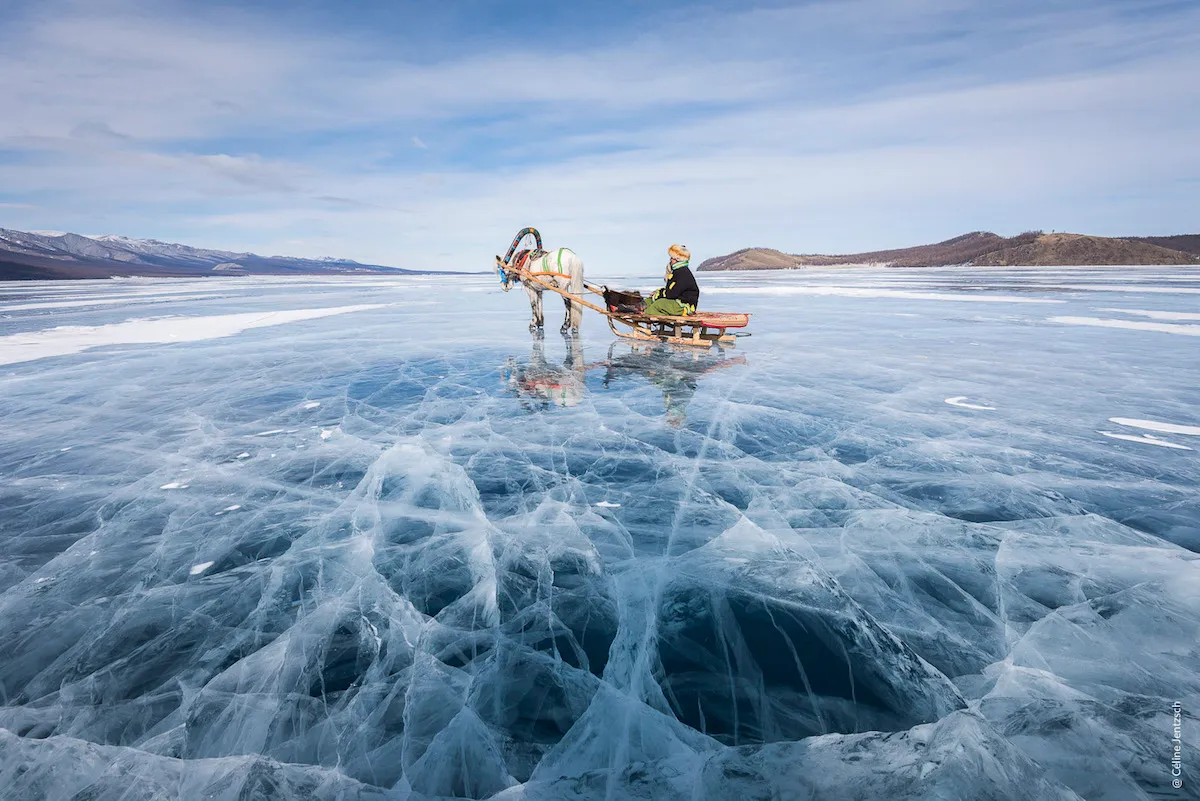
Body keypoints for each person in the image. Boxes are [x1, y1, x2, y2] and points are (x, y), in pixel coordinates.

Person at [643, 244, 699, 316]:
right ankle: (639, 307)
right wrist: (657, 293)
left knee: (659, 304)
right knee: (650, 300)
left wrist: (658, 294)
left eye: (672, 258)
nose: (670, 259)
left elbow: (672, 294)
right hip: (675, 301)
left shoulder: (683, 273)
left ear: (678, 259)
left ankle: (645, 313)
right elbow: (670, 290)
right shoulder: (676, 271)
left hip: (684, 306)